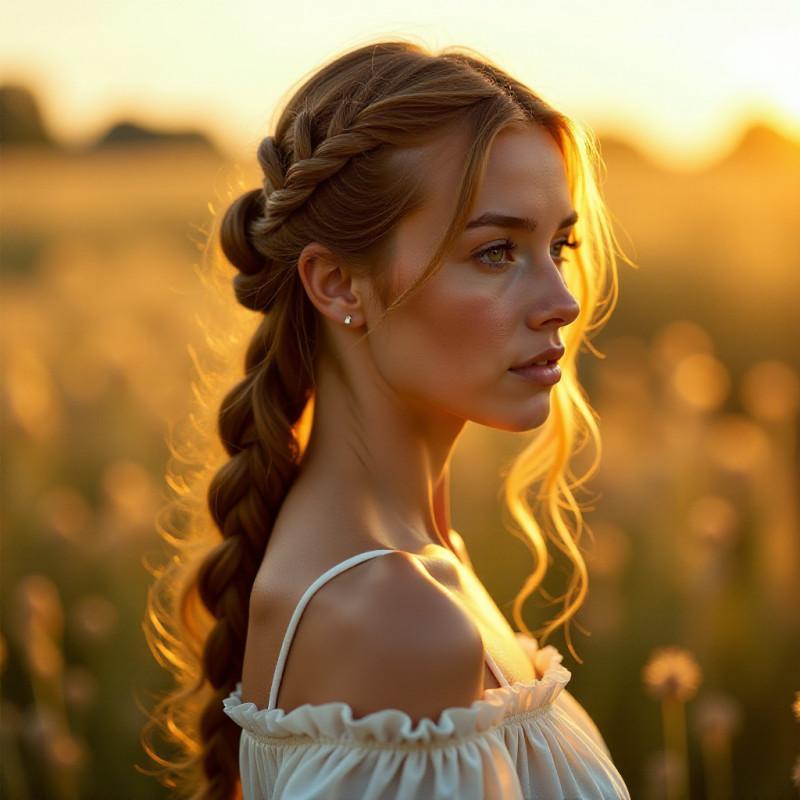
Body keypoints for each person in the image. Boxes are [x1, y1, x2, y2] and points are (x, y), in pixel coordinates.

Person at [145, 41, 629, 799]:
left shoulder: (418, 559)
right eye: (497, 251)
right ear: (338, 284)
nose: (561, 300)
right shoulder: (394, 618)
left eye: (559, 244)